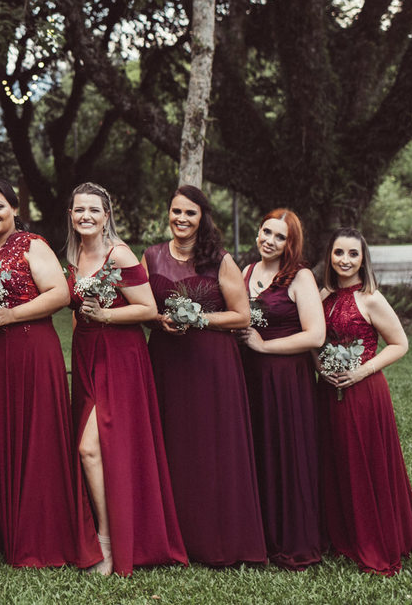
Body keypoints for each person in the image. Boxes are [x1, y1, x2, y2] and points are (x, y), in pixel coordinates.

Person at [0, 179, 100, 569]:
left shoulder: (32, 244)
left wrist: (11, 314)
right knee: (1, 434)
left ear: (13, 208)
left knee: (36, 437)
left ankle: (43, 536)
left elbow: (60, 295)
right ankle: (6, 530)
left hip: (30, 350)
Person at [65, 182, 186, 576]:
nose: (85, 216)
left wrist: (106, 316)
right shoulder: (75, 252)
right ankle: (108, 533)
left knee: (91, 447)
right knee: (94, 448)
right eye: (78, 209)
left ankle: (108, 539)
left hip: (120, 355)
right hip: (86, 353)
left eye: (93, 210)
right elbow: (77, 310)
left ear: (106, 215)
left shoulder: (119, 254)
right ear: (71, 214)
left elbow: (148, 308)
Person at [143, 185, 265, 565]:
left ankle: (217, 538)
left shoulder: (220, 261)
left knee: (213, 447)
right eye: (175, 211)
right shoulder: (150, 256)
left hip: (213, 364)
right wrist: (160, 319)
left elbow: (241, 316)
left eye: (190, 213)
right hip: (167, 361)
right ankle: (176, 537)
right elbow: (144, 307)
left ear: (202, 218)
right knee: (173, 443)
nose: (181, 219)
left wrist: (195, 318)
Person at [317, 228, 412, 576]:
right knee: (336, 460)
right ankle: (342, 532)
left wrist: (361, 372)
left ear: (363, 259)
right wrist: (321, 367)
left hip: (364, 392)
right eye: (338, 253)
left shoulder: (371, 297)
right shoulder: (323, 294)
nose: (344, 260)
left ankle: (375, 536)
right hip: (328, 390)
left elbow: (400, 344)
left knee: (366, 461)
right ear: (329, 256)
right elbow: (313, 341)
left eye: (352, 254)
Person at [238, 209, 325, 569]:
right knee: (258, 450)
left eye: (280, 237)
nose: (269, 241)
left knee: (286, 452)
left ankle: (293, 539)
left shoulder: (300, 276)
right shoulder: (246, 272)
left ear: (291, 243)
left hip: (287, 377)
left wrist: (264, 346)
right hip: (250, 376)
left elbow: (315, 335)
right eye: (266, 232)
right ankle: (261, 536)